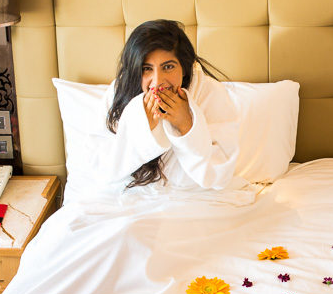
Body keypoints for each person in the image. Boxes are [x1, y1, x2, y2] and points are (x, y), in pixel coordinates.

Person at [100, 19, 242, 192]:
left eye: (168, 67)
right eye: (146, 68)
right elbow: (101, 169)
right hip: (132, 197)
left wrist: (187, 125)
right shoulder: (118, 93)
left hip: (198, 198)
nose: (158, 81)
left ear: (184, 66)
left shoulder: (210, 93)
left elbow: (220, 175)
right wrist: (144, 129)